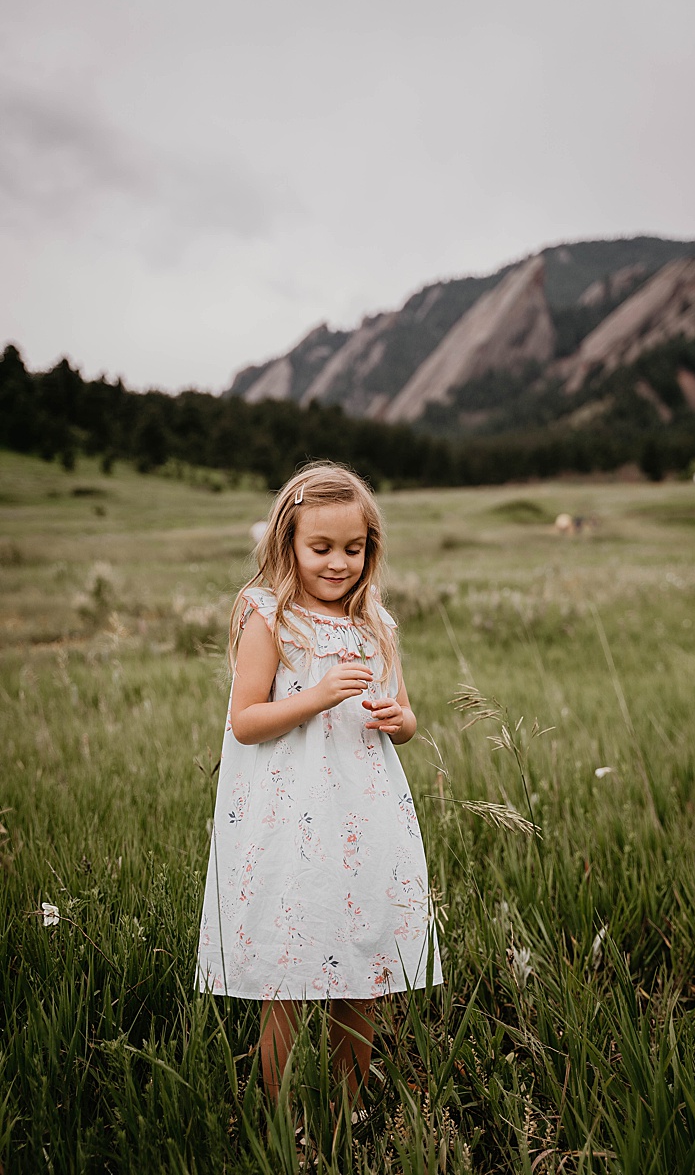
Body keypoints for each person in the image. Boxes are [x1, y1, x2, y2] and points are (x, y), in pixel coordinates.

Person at [196, 461, 442, 1112]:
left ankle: (348, 1110)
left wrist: (401, 719)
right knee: (288, 971)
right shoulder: (270, 616)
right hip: (289, 820)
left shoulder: (375, 625)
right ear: (289, 544)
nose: (338, 563)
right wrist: (315, 696)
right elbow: (246, 721)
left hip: (364, 820)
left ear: (370, 549)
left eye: (353, 549)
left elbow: (408, 716)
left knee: (361, 967)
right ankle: (280, 1119)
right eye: (321, 547)